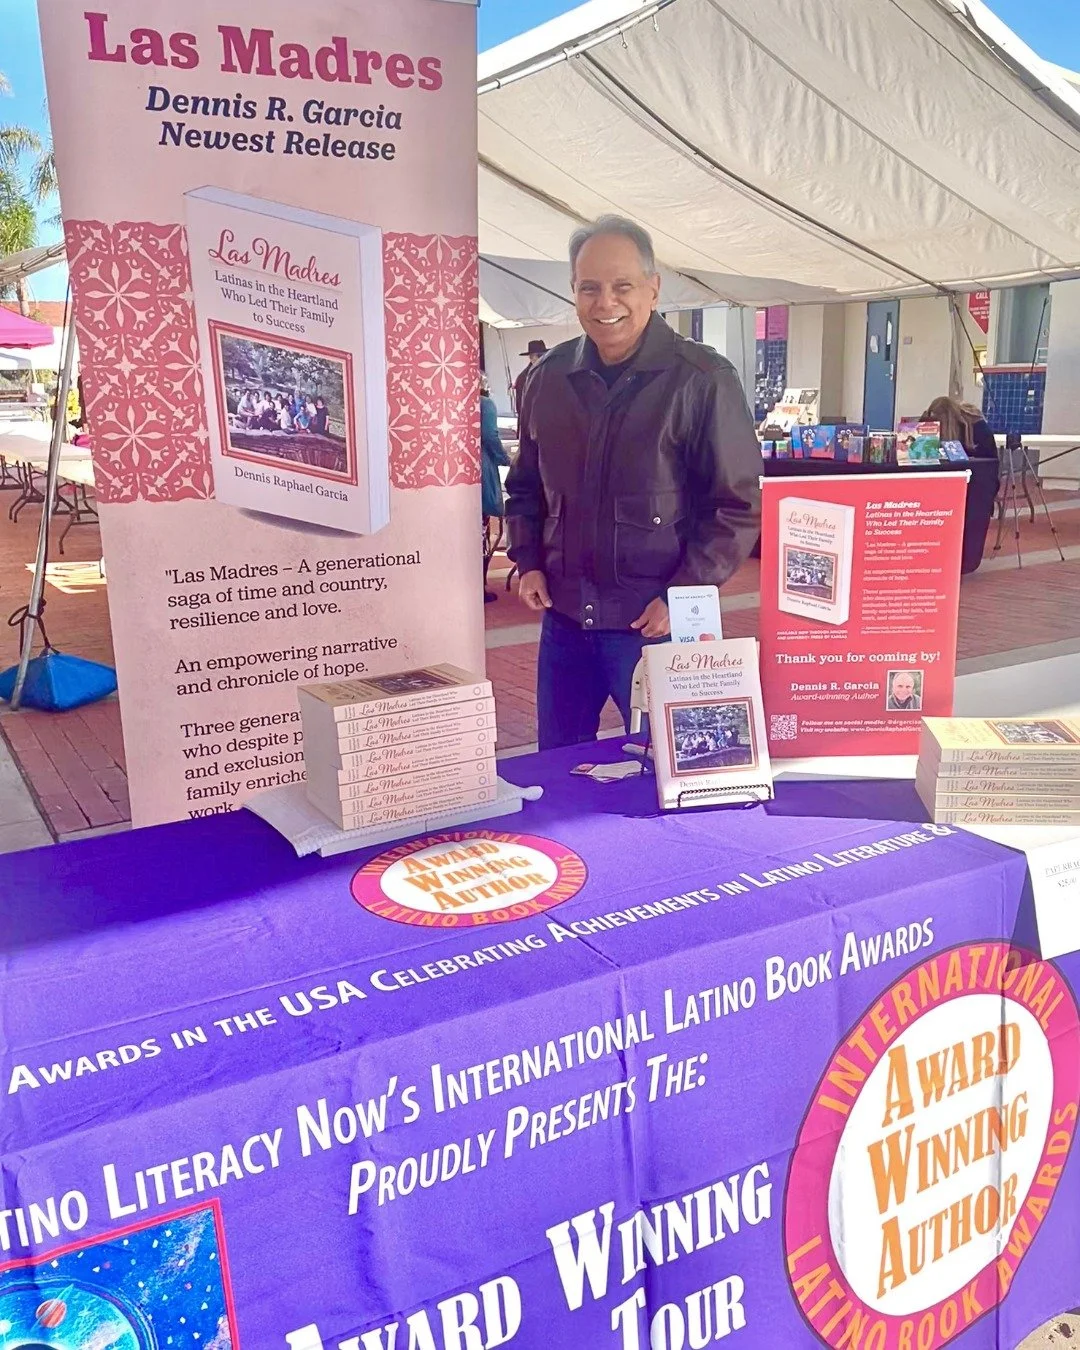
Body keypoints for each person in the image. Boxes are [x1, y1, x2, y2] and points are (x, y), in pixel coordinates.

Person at [505, 214, 762, 750]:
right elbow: (526, 485)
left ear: (652, 288)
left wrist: (685, 591)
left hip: (656, 623)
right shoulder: (545, 380)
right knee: (560, 771)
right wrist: (527, 560)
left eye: (622, 286)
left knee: (674, 764)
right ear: (573, 292)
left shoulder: (703, 380)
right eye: (590, 287)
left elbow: (735, 505)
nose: (606, 303)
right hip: (566, 621)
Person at [922, 395, 1000, 574]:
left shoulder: (976, 428)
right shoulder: (929, 419)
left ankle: (962, 561)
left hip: (977, 484)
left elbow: (990, 462)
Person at [481, 375, 511, 603]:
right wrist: (505, 458)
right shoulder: (485, 404)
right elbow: (490, 436)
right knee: (481, 531)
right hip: (479, 469)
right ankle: (479, 586)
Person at [513, 340, 547, 426]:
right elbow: (522, 407)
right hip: (531, 425)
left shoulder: (546, 372)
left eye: (543, 355)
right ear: (531, 357)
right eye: (539, 355)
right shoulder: (524, 377)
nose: (543, 358)